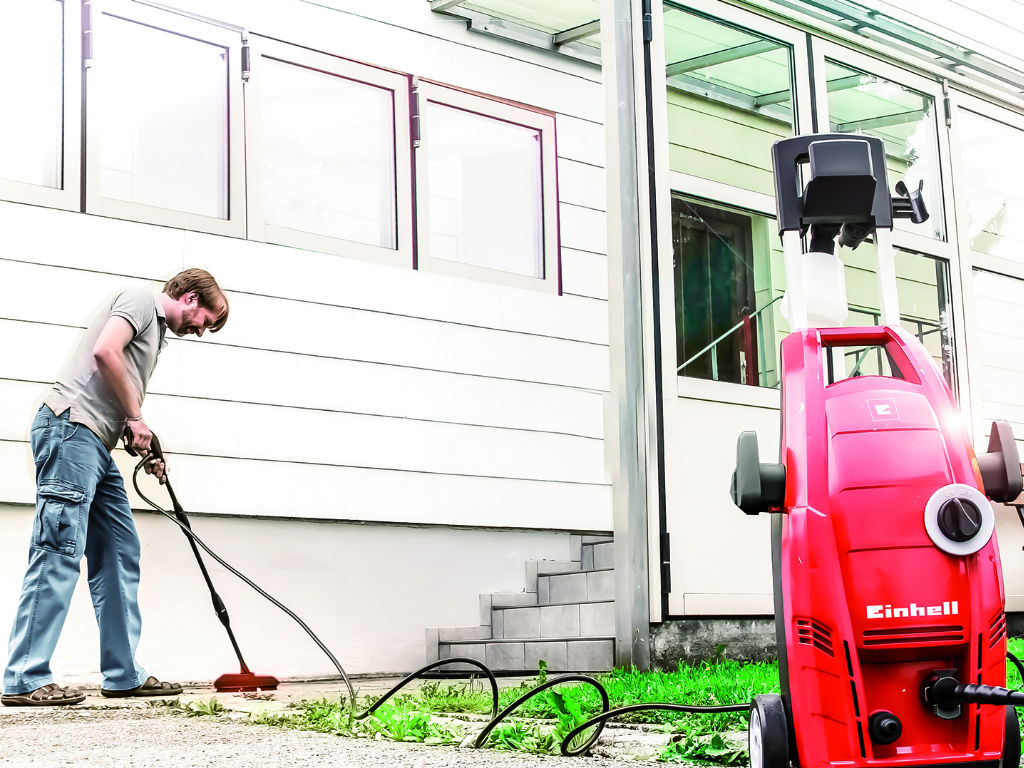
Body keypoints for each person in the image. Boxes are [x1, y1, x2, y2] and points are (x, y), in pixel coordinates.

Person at [1, 269, 229, 706]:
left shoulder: (155, 333)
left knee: (120, 550)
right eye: (206, 318)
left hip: (97, 445)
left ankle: (123, 673)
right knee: (59, 549)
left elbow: (117, 387)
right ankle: (24, 676)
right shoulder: (141, 300)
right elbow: (106, 351)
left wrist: (138, 434)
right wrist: (136, 418)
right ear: (189, 296)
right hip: (70, 429)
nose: (202, 330)